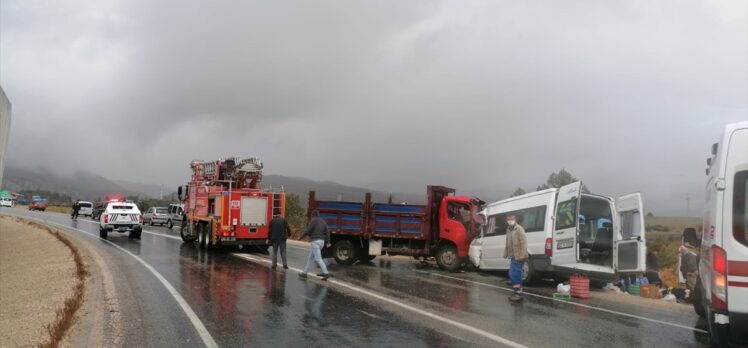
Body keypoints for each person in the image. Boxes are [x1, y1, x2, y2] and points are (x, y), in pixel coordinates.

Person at [298, 210, 331, 280]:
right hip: (322, 241)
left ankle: (326, 273)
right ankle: (304, 273)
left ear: (312, 215)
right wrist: (328, 242)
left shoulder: (313, 221)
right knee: (310, 258)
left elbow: (308, 230)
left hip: (315, 241)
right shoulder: (323, 221)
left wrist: (301, 237)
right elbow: (327, 232)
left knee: (318, 259)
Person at [503, 213, 527, 303]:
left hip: (519, 256)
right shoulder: (508, 229)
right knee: (515, 274)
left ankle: (518, 294)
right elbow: (507, 242)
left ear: (515, 218)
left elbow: (524, 243)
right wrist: (506, 253)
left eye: (511, 218)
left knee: (514, 274)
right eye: (508, 219)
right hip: (513, 256)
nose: (510, 220)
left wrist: (522, 255)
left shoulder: (519, 229)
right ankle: (517, 292)